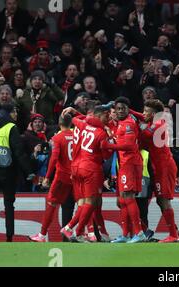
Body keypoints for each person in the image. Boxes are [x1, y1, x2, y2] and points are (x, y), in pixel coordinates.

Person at [129, 99, 179, 243]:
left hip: (164, 167)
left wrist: (133, 123)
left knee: (163, 200)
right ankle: (175, 231)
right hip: (157, 167)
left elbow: (143, 135)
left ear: (154, 114)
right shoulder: (155, 121)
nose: (144, 114)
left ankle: (173, 235)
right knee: (160, 200)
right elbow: (142, 118)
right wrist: (129, 111)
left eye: (146, 111)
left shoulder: (158, 124)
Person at [60, 104, 112, 242]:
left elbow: (77, 119)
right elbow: (106, 154)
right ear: (99, 116)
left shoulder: (81, 125)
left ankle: (93, 233)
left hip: (76, 167)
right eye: (106, 116)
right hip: (90, 168)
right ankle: (73, 229)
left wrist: (73, 112)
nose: (108, 118)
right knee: (92, 202)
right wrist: (111, 139)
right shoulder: (102, 133)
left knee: (85, 203)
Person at [0, 104, 33, 242]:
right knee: (9, 206)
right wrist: (29, 171)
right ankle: (9, 238)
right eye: (15, 112)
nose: (16, 115)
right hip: (8, 173)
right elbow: (19, 152)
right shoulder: (11, 128)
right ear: (9, 113)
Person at [104, 97, 147, 243]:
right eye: (118, 109)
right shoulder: (120, 123)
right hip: (124, 164)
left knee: (128, 197)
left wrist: (107, 145)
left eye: (123, 108)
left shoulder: (128, 123)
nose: (120, 111)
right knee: (122, 199)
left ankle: (139, 233)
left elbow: (128, 145)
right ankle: (126, 234)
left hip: (130, 163)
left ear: (128, 110)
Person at [28, 114, 74, 242]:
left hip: (62, 177)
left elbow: (53, 158)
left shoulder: (57, 138)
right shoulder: (78, 137)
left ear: (59, 122)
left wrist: (47, 177)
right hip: (75, 176)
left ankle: (42, 235)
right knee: (80, 204)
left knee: (51, 203)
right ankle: (82, 232)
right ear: (70, 123)